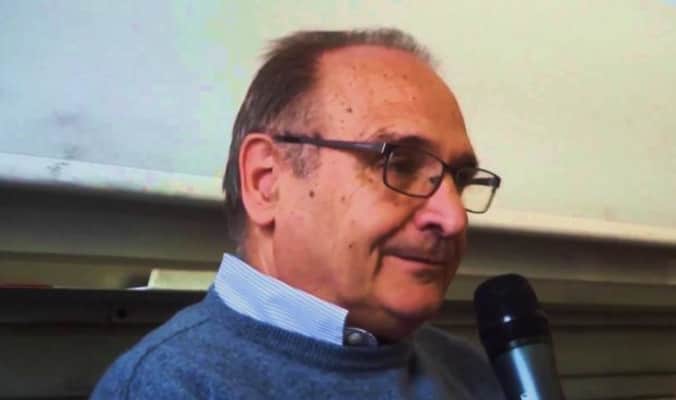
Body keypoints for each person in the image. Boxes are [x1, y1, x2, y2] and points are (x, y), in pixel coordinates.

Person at [92, 28, 504, 399]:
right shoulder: (168, 387)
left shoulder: (474, 372)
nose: (453, 218)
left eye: (460, 179)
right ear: (266, 180)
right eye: (399, 164)